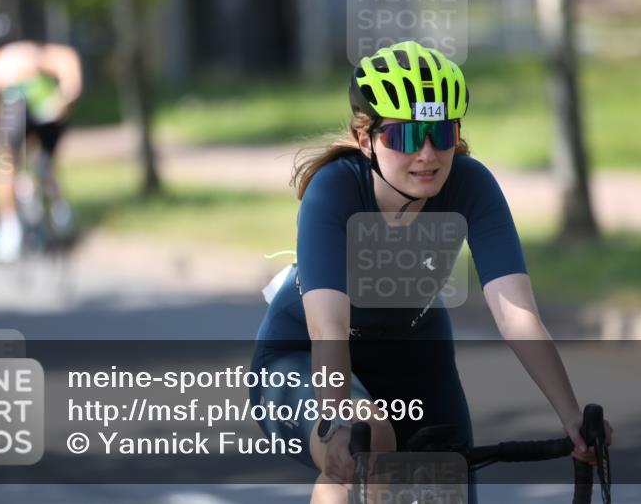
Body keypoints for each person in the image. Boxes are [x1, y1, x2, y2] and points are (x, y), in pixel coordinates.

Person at [249, 40, 611, 503]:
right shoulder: (335, 189)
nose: (426, 154)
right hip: (303, 357)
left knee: (447, 484)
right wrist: (337, 421)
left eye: (441, 134)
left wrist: (572, 418)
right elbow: (328, 327)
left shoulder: (470, 183)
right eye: (403, 136)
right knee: (365, 442)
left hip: (417, 356)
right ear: (366, 141)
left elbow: (516, 315)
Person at [0, 16, 83, 263]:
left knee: (7, 165)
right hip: (49, 104)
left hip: (19, 105)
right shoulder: (32, 50)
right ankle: (60, 210)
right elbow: (67, 59)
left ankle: (10, 230)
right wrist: (69, 93)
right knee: (46, 163)